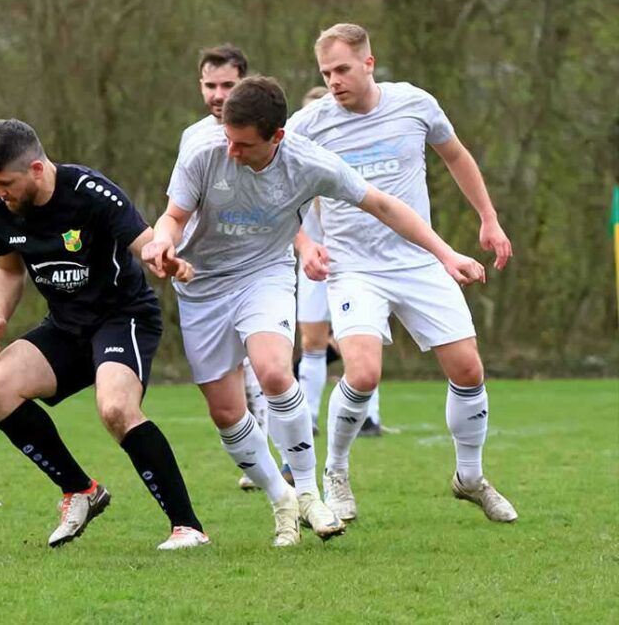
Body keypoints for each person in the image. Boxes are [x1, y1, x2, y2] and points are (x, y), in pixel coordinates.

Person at [143, 76, 486, 547]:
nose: (232, 152)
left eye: (243, 145)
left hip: (265, 275)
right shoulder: (203, 151)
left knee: (274, 373)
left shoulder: (309, 164)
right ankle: (280, 496)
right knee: (226, 411)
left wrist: (446, 254)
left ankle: (309, 492)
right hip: (202, 286)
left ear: (277, 137)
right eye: (228, 140)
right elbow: (173, 218)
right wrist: (162, 241)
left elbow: (385, 205)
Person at [287, 23, 517, 524]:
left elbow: (455, 155)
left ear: (369, 63)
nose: (334, 81)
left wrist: (489, 218)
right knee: (363, 373)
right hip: (353, 267)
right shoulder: (309, 125)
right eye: (326, 73)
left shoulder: (414, 104)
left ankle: (470, 478)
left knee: (469, 370)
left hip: (418, 258)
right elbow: (279, 190)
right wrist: (304, 241)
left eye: (343, 69)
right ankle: (337, 473)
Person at [0, 119, 209, 550]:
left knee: (116, 408)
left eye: (6, 182)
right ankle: (80, 490)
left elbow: (144, 242)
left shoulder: (90, 192)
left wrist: (162, 255)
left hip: (123, 317)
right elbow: (7, 267)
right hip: (66, 327)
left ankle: (187, 527)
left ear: (38, 170)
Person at [176, 44, 274, 491]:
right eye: (210, 85)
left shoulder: (268, 137)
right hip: (203, 272)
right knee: (227, 386)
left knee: (263, 365)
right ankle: (262, 463)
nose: (218, 94)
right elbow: (178, 209)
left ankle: (276, 459)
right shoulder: (193, 138)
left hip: (252, 267)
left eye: (228, 85)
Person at [293, 86, 384, 436]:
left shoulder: (351, 160)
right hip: (314, 261)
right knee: (312, 342)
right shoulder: (293, 164)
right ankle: (309, 416)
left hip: (357, 262)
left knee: (363, 339)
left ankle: (369, 418)